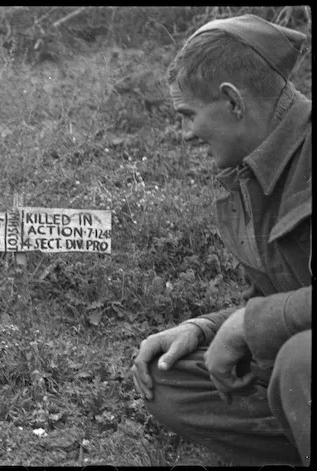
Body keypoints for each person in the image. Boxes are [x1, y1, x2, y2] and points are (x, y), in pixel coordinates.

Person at [131, 13, 311, 466]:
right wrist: (204, 328)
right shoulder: (256, 170)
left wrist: (251, 324)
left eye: (189, 115)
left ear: (232, 101)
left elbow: (273, 316)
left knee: (299, 359)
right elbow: (280, 297)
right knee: (167, 375)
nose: (187, 134)